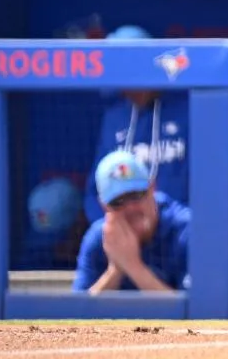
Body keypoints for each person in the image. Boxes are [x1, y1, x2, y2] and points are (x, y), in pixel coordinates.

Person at [82, 25, 189, 226]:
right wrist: (110, 225)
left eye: (134, 76)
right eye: (123, 79)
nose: (128, 88)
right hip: (125, 230)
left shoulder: (188, 110)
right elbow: (95, 190)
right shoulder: (116, 116)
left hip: (178, 232)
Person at [73, 149, 191, 293]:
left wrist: (133, 267)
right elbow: (78, 312)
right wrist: (115, 271)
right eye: (118, 201)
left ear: (152, 188)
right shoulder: (100, 239)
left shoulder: (186, 230)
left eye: (135, 195)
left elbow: (196, 313)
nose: (130, 208)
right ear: (104, 206)